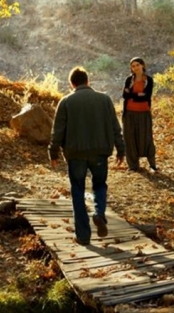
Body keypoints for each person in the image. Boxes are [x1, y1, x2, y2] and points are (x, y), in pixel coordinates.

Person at [49, 66, 125, 246]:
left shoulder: (66, 101)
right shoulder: (105, 100)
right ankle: (99, 213)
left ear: (72, 84)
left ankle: (83, 236)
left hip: (76, 154)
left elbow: (58, 130)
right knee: (99, 185)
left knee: (77, 190)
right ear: (88, 81)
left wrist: (53, 152)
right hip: (100, 152)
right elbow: (115, 127)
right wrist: (121, 149)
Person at [122, 57, 157, 172]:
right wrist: (137, 95)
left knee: (146, 137)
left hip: (144, 112)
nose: (135, 67)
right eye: (133, 66)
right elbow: (125, 95)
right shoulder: (129, 80)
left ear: (142, 65)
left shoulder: (148, 80)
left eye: (137, 65)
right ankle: (133, 165)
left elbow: (146, 96)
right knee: (130, 138)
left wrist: (133, 95)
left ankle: (152, 164)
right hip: (129, 112)